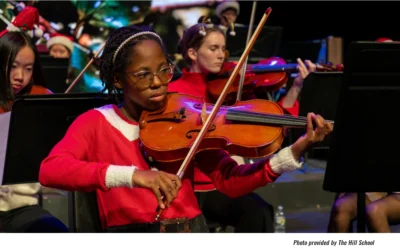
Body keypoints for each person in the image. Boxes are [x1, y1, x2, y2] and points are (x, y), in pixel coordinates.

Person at [38, 24, 333, 233]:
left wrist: (295, 149)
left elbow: (231, 180)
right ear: (118, 80)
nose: (158, 82)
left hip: (192, 230)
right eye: (143, 75)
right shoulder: (96, 122)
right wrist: (132, 175)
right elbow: (51, 170)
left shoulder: (187, 118)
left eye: (164, 70)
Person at [168, 21, 317, 232]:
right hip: (185, 185)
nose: (222, 55)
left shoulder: (230, 88)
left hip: (219, 180)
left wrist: (296, 88)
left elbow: (273, 118)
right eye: (213, 49)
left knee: (259, 211)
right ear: (192, 53)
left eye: (223, 48)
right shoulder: (174, 91)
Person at [0, 7, 69, 232]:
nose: (21, 77)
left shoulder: (39, 99)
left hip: (23, 208)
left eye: (28, 69)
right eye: (13, 67)